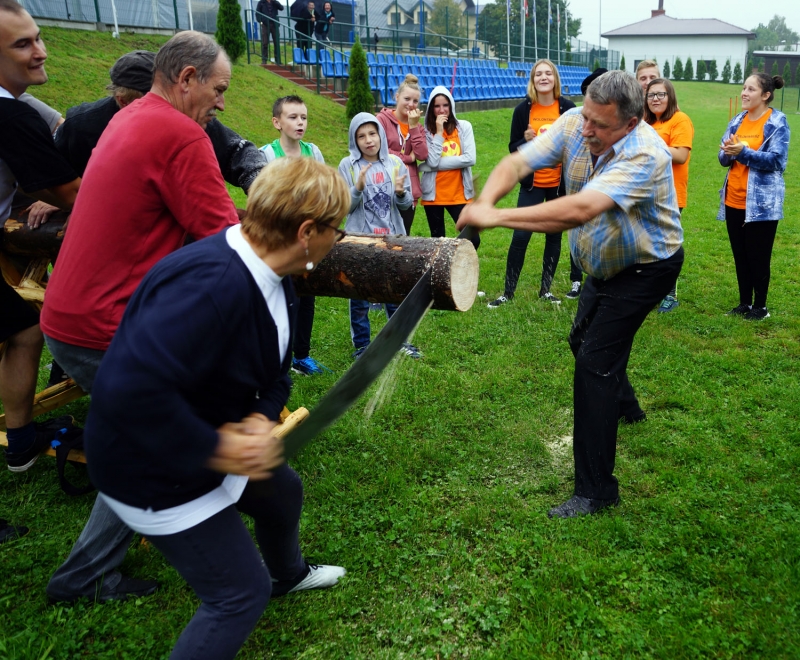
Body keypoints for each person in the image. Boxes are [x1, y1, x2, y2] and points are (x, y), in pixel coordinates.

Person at [85, 158, 346, 659]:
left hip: (203, 441)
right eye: (337, 229)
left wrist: (259, 417)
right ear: (307, 232)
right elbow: (127, 394)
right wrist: (219, 447)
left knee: (282, 491)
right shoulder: (210, 285)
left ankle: (288, 575)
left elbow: (276, 375)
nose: (338, 239)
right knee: (239, 594)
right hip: (150, 465)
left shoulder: (276, 276)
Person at [41, 31, 243, 604]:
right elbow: (227, 240)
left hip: (70, 316)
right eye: (219, 89)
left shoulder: (129, 117)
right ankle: (87, 576)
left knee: (149, 437)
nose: (222, 103)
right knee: (166, 438)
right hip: (106, 327)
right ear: (187, 78)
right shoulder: (181, 133)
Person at [457, 70, 684, 518]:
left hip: (645, 267)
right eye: (586, 118)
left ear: (632, 121)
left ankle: (597, 492)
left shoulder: (646, 152)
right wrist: (485, 201)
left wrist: (496, 218)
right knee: (583, 341)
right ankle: (627, 406)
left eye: (600, 125)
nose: (587, 130)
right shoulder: (575, 121)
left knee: (594, 363)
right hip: (604, 260)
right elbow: (516, 164)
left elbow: (579, 210)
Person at [0, 0, 81, 475]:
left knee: (23, 327)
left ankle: (21, 442)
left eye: (38, 37)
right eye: (22, 44)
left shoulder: (20, 108)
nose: (41, 51)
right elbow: (77, 193)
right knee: (24, 328)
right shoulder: (10, 114)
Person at [488, 59, 580, 309]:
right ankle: (508, 293)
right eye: (538, 74)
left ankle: (546, 290)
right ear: (532, 80)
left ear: (555, 78)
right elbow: (513, 148)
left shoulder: (568, 109)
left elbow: (575, 143)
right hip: (532, 184)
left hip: (558, 185)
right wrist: (525, 140)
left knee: (554, 235)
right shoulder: (523, 110)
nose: (543, 77)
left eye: (548, 73)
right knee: (520, 235)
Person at [338, 113, 420, 360]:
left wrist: (400, 193)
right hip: (360, 242)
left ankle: (399, 341)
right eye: (361, 136)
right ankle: (362, 346)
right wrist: (357, 188)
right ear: (354, 140)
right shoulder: (347, 165)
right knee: (359, 296)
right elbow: (345, 207)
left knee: (394, 292)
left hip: (392, 240)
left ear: (381, 135)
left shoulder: (395, 163)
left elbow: (405, 205)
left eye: (372, 134)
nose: (368, 140)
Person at [261, 94, 329, 376]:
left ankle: (301, 356)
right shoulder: (267, 154)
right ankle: (278, 358)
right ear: (277, 122)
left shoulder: (313, 152)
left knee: (307, 298)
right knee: (284, 300)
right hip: (280, 242)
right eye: (293, 117)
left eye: (304, 117)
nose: (300, 122)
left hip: (308, 241)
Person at [717, 73, 789, 321]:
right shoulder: (737, 120)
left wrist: (743, 152)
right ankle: (744, 303)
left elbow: (777, 161)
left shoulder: (777, 122)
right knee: (740, 255)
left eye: (751, 89)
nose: (744, 93)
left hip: (762, 204)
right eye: (744, 88)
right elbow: (723, 158)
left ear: (766, 95)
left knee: (758, 256)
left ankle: (761, 307)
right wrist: (728, 152)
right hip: (733, 199)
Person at [644, 78, 693, 314]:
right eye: (651, 95)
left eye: (660, 94)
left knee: (667, 245)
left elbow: (681, 155)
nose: (655, 99)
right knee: (647, 245)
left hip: (669, 194)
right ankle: (652, 291)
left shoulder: (679, 119)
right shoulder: (646, 122)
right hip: (644, 192)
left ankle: (670, 295)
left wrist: (648, 147)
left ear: (670, 96)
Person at [420, 86, 478, 250]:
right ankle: (445, 266)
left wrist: (426, 167)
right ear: (431, 108)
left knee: (473, 239)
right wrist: (439, 131)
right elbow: (433, 161)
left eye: (445, 105)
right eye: (437, 106)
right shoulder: (426, 132)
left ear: (451, 105)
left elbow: (470, 159)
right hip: (434, 195)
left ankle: (455, 261)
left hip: (459, 193)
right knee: (438, 243)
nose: (441, 110)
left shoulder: (464, 127)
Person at [376, 73, 428, 235]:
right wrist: (407, 158)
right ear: (397, 97)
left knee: (404, 235)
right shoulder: (382, 120)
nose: (411, 104)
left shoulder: (418, 126)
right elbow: (379, 150)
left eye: (415, 101)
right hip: (382, 184)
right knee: (381, 234)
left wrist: (413, 127)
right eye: (407, 99)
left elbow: (422, 155)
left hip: (408, 189)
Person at [256, 0, 284, 64]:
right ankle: (264, 60)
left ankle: (278, 60)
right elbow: (257, 13)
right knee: (265, 42)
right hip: (265, 24)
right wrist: (260, 22)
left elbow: (281, 8)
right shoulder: (261, 2)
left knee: (276, 42)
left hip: (274, 24)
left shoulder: (274, 2)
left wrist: (275, 2)